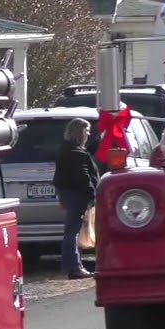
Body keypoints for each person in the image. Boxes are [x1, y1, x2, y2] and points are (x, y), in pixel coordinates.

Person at [52, 117, 99, 279]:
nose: (88, 133)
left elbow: (85, 156)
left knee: (72, 230)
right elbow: (83, 176)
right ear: (79, 132)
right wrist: (92, 195)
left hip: (68, 192)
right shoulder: (75, 153)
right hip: (77, 194)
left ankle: (73, 265)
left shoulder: (68, 149)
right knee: (73, 231)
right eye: (87, 131)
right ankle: (74, 267)